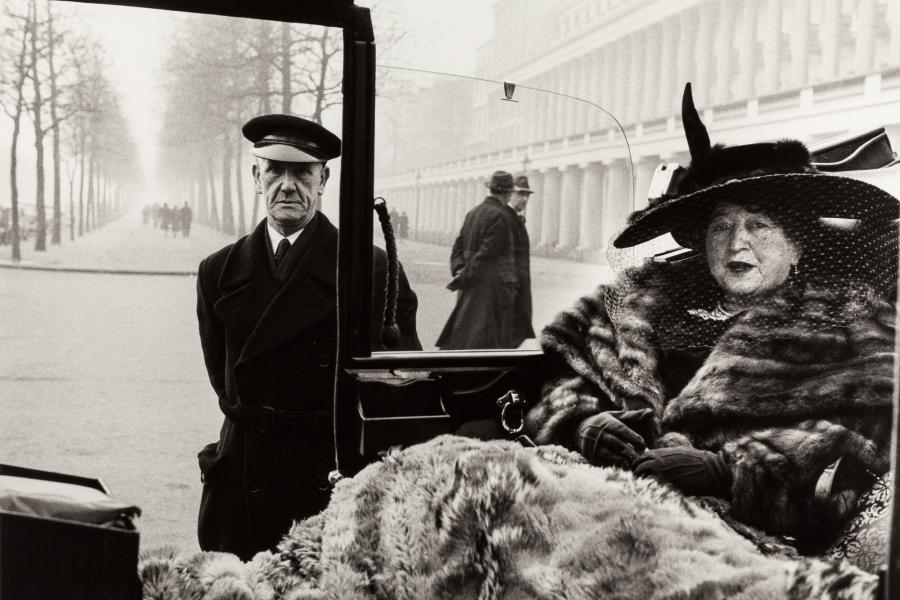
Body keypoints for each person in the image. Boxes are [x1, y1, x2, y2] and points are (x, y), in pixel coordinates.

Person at [523, 83, 898, 558]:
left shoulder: (850, 324)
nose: (736, 243)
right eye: (721, 227)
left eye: (758, 225)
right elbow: (561, 382)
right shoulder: (635, 306)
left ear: (798, 244)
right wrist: (584, 425)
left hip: (737, 543)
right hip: (600, 504)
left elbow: (860, 453)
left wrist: (727, 472)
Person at [195, 113, 421, 560]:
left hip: (326, 478)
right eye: (275, 170)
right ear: (256, 176)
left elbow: (401, 387)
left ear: (323, 180)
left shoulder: (369, 271)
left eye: (302, 172)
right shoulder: (217, 271)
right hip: (242, 476)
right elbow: (223, 379)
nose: (287, 185)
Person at [436, 170, 525, 349]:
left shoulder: (473, 213)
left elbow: (458, 246)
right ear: (507, 193)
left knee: (464, 332)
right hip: (490, 287)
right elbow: (487, 254)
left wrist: (459, 269)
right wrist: (464, 276)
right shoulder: (501, 216)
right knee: (485, 339)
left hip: (470, 283)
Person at [508, 174, 535, 344]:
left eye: (527, 195)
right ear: (510, 193)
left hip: (519, 286)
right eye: (520, 194)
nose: (524, 199)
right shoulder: (505, 217)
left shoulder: (515, 217)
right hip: (512, 288)